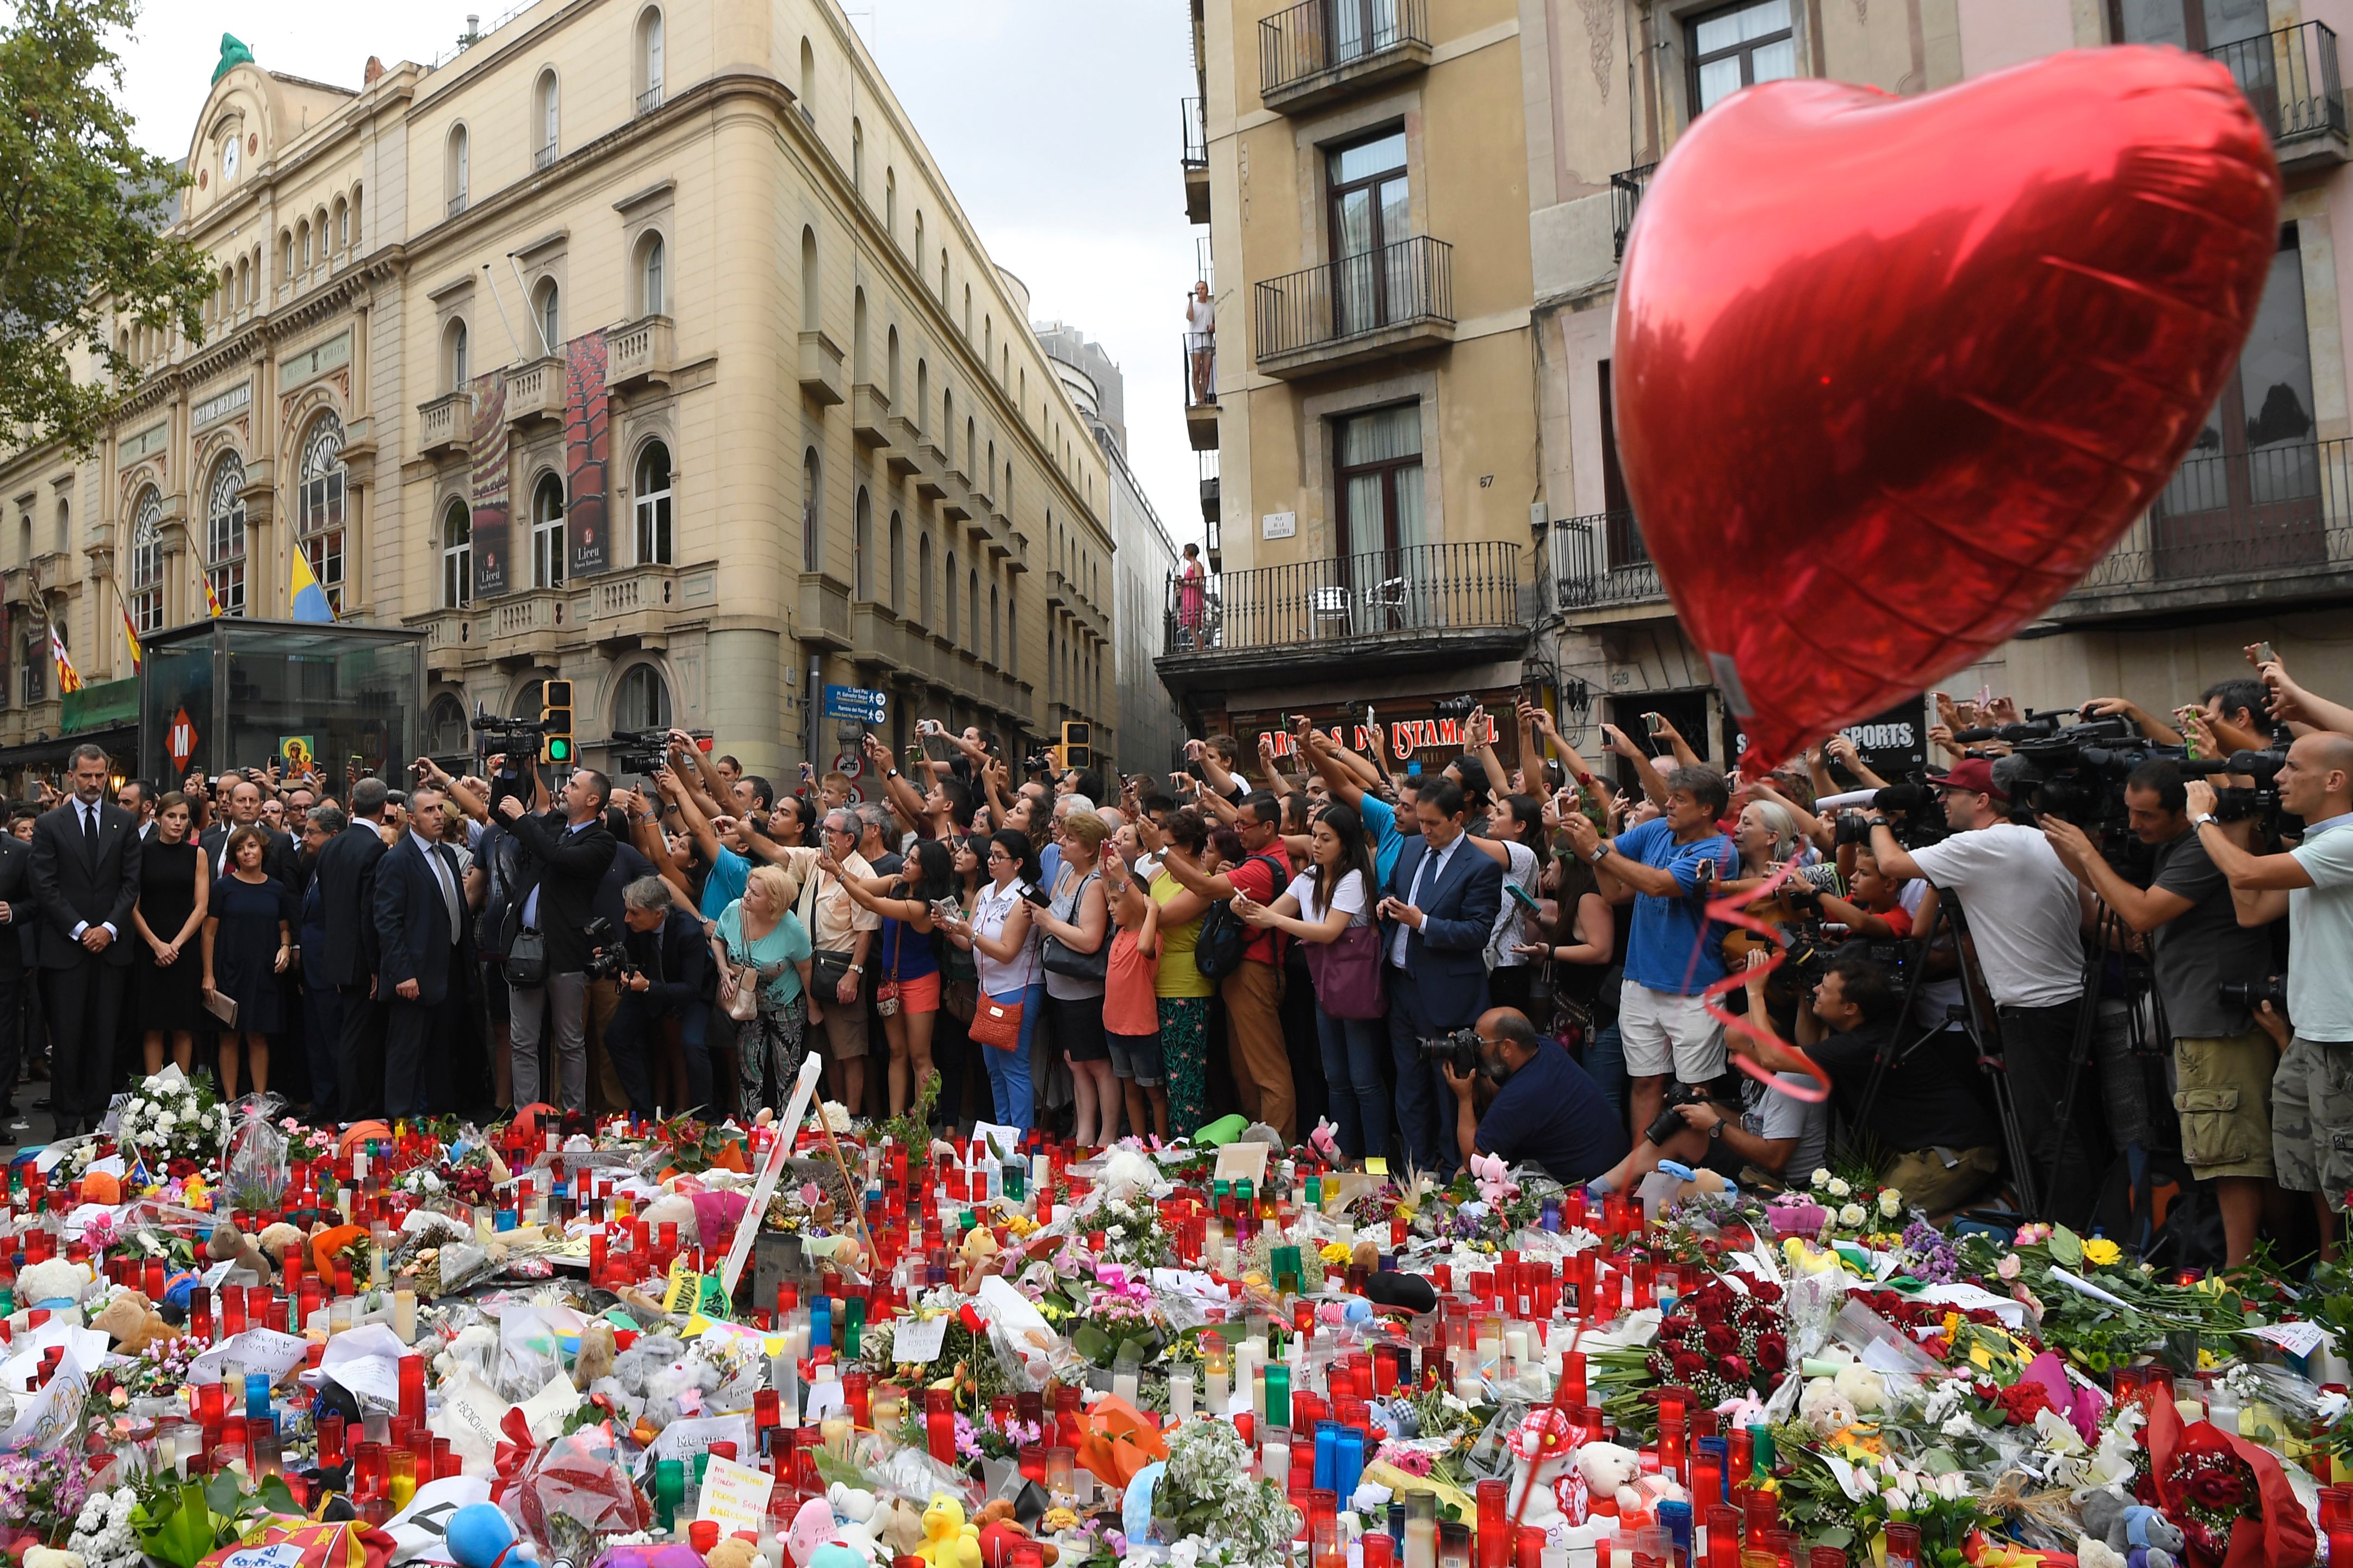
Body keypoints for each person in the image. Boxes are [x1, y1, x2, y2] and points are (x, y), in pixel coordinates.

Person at [2043, 760, 2284, 1266]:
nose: (2133, 826)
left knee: (2230, 1157)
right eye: (2129, 812)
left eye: (2146, 815)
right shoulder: (2173, 846)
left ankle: (2243, 1281)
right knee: (2220, 1152)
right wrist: (2076, 858)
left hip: (2217, 1023)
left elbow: (2141, 911)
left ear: (2183, 812)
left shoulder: (2200, 846)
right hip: (2196, 1017)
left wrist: (2087, 854)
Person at [1868, 755, 2102, 1226]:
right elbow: (2093, 921)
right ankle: (2087, 1232)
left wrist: (1875, 819)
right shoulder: (2045, 838)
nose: (1941, 801)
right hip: (2071, 1002)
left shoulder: (1978, 845)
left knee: (2048, 1134)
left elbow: (1890, 862)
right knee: (2075, 1126)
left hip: (2030, 1008)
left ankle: (2068, 1242)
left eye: (1950, 793)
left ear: (1981, 800)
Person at [2186, 730, 2353, 1259]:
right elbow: (2250, 908)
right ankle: (2328, 1270)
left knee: (2343, 1169)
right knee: (2309, 1165)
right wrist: (2234, 817)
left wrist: (2202, 819)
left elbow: (2246, 871)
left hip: (2343, 1036)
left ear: (2334, 779)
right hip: (2311, 1032)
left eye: (2292, 768)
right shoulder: (2314, 847)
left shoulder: (2345, 842)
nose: (2278, 778)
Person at [1733, 953, 2003, 1216]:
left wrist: (1755, 992)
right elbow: (1810, 1050)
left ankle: (1994, 1210)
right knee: (1870, 1212)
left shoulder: (1863, 1043)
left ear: (1850, 1008)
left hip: (1956, 1150)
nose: (1816, 989)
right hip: (1927, 1146)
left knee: (1885, 1222)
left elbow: (1771, 1057)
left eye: (1824, 989)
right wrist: (1807, 999)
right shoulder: (1859, 1028)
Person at [1561, 765, 1739, 1157]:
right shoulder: (1656, 829)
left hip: (1695, 990)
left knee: (1695, 1092)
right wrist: (1580, 835)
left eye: (1679, 800)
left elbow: (1657, 885)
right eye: (1669, 797)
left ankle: (1693, 1178)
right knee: (1644, 1083)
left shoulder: (1719, 851)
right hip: (1639, 981)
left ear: (1707, 809)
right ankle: (1641, 1171)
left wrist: (1598, 848)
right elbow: (1612, 886)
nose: (1667, 804)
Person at [1237, 800, 1385, 1160]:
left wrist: (1272, 920)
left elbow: (1329, 931)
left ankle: (1378, 1159)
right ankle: (1342, 1153)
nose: (1315, 845)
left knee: (1364, 1080)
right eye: (1314, 836)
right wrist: (1240, 908)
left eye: (1326, 839)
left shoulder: (1353, 879)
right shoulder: (1307, 878)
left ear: (1346, 844)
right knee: (1335, 1078)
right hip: (1326, 987)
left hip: (1355, 988)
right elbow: (1267, 916)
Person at [1160, 791, 1299, 1140]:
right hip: (1243, 972)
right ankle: (1256, 1143)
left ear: (1269, 827)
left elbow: (1203, 888)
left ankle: (1279, 1150)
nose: (1238, 832)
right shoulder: (1265, 855)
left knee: (1268, 1070)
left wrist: (1161, 851)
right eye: (1235, 822)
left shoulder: (1262, 867)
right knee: (1245, 1069)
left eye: (1244, 825)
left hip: (1257, 970)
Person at [1381, 779, 1504, 1173]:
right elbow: (1390, 885)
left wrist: (1424, 922)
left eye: (1433, 823)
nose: (1425, 830)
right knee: (1408, 1082)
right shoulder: (1413, 846)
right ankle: (1415, 1166)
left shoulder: (1480, 866)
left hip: (1447, 993)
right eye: (1421, 821)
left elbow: (1477, 932)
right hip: (1401, 984)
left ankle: (1455, 1168)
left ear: (1458, 819)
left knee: (1447, 1085)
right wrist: (1385, 903)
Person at [29, 744, 141, 1135]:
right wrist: (80, 930)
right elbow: (44, 886)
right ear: (71, 776)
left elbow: (130, 884)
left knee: (104, 1039)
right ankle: (65, 1123)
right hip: (66, 951)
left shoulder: (123, 823)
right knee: (67, 1039)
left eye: (100, 776)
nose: (94, 783)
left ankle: (98, 1122)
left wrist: (108, 928)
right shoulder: (49, 824)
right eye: (86, 776)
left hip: (111, 951)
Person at [830, 838, 952, 1117]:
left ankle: (921, 1119)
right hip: (891, 982)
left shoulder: (922, 907)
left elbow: (870, 903)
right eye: (908, 857)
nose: (906, 863)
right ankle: (896, 1120)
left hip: (920, 981)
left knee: (920, 1055)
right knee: (897, 1053)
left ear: (929, 871)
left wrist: (837, 874)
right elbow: (859, 884)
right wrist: (836, 866)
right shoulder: (897, 883)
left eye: (914, 861)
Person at [375, 782, 476, 1118]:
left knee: (443, 1056)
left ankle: (441, 1122)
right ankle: (399, 1126)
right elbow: (388, 922)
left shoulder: (446, 852)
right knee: (406, 1056)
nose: (438, 816)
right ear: (411, 817)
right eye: (429, 810)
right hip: (413, 978)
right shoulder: (398, 860)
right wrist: (402, 972)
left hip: (449, 972)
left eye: (441, 809)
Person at [1442, 1007, 1627, 1186]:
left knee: (1463, 1177)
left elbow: (1473, 1164)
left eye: (1479, 1042)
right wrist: (1467, 1062)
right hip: (1612, 1166)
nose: (1475, 1047)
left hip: (1589, 1190)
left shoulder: (1522, 1095)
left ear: (1507, 1047)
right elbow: (1494, 1095)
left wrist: (1464, 1097)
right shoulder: (1543, 1049)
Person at [939, 828, 1042, 1134]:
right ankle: (1002, 1136)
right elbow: (970, 942)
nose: (992, 861)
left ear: (1019, 862)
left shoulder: (1026, 897)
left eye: (1000, 856)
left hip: (1016, 988)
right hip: (988, 988)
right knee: (994, 1070)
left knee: (1014, 1068)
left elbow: (1008, 952)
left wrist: (968, 932)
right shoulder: (986, 892)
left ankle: (1021, 1141)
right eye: (991, 855)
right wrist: (950, 927)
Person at [1032, 810, 1115, 1146]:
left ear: (1090, 849)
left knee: (1096, 1064)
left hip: (1085, 989)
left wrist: (1049, 923)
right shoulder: (1066, 869)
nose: (1062, 842)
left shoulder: (1094, 883)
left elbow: (1090, 940)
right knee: (1074, 1061)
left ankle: (1107, 1135)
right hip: (1060, 987)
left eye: (1071, 839)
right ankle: (1084, 1133)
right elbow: (1055, 909)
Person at [715, 861, 815, 1117]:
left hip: (786, 1004)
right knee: (749, 1065)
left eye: (755, 893)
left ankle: (787, 1127)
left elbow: (806, 968)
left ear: (773, 903)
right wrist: (723, 968)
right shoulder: (734, 911)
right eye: (748, 887)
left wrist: (813, 1007)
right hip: (747, 1003)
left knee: (786, 1067)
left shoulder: (791, 928)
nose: (746, 894)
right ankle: (751, 1127)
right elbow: (717, 938)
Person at [201, 826, 294, 1099]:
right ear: (234, 855)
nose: (247, 852)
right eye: (240, 849)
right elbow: (209, 933)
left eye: (252, 846)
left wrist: (286, 948)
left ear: (262, 849)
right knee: (228, 1037)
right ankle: (230, 1100)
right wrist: (208, 975)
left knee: (258, 1036)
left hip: (265, 971)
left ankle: (260, 1100)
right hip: (229, 970)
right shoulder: (223, 888)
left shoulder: (277, 889)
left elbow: (284, 928)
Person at [318, 777, 391, 1119]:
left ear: (352, 802)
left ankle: (352, 1105)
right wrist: (376, 966)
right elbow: (369, 912)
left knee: (350, 1031)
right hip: (362, 959)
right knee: (360, 1037)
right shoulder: (374, 849)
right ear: (384, 808)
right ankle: (357, 1109)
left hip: (336, 954)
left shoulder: (332, 845)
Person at [1141, 807, 1216, 1136]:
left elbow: (1161, 917)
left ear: (1188, 847)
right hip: (1150, 982)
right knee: (1156, 1076)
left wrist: (1144, 907)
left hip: (1185, 986)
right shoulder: (1160, 875)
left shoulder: (1203, 884)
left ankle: (1185, 1149)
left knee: (1183, 1076)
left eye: (1167, 845)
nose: (1161, 852)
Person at [609, 875, 711, 1116]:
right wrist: (621, 970)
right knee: (615, 1037)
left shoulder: (688, 931)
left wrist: (648, 987)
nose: (627, 918)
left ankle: (707, 1117)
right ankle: (644, 1112)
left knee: (693, 1044)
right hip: (650, 987)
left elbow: (692, 988)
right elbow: (633, 959)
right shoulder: (635, 926)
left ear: (658, 914)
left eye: (635, 913)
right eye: (628, 912)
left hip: (690, 995)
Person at [806, 807, 879, 1116]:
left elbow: (866, 930)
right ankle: (835, 1118)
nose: (824, 836)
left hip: (841, 968)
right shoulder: (817, 861)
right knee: (826, 1052)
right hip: (812, 967)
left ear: (849, 838)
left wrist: (853, 974)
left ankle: (852, 1118)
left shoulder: (862, 873)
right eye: (822, 829)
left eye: (830, 832)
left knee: (849, 1051)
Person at [132, 791, 208, 1077]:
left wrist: (174, 945)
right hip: (149, 945)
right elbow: (132, 906)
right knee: (152, 1025)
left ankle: (182, 1093)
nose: (178, 823)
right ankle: (152, 1092)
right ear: (158, 817)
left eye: (183, 817)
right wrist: (156, 945)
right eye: (171, 816)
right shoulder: (141, 853)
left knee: (183, 1024)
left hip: (184, 947)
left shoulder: (197, 854)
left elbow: (201, 907)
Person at [1100, 839, 1166, 1143]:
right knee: (1130, 1088)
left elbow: (1145, 948)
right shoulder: (1121, 932)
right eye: (1109, 901)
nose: (1110, 907)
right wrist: (1108, 867)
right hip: (1115, 1027)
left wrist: (1151, 910)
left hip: (1140, 1029)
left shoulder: (1147, 935)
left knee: (1153, 1091)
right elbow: (1109, 886)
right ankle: (1140, 1145)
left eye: (1115, 901)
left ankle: (1161, 1147)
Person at [297, 804, 345, 1117]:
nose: (305, 838)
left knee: (334, 1042)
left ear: (333, 835)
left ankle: (338, 1105)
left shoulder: (337, 870)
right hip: (312, 971)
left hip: (331, 971)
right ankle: (322, 1102)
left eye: (311, 832)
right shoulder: (314, 867)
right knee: (316, 1042)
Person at [0, 814, 32, 1135]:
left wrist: (13, 912)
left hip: (4, 963)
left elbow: (34, 902)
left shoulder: (18, 853)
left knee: (4, 1040)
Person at [1185, 281, 1216, 407]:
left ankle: (1202, 397)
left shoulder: (1212, 306)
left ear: (1207, 291)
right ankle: (1198, 397)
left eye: (1202, 288)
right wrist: (1191, 301)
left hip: (1208, 342)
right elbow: (1190, 317)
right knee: (1196, 370)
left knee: (1206, 371)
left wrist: (1214, 326)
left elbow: (1216, 321)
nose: (1200, 291)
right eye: (1198, 289)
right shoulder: (1193, 305)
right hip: (1196, 342)